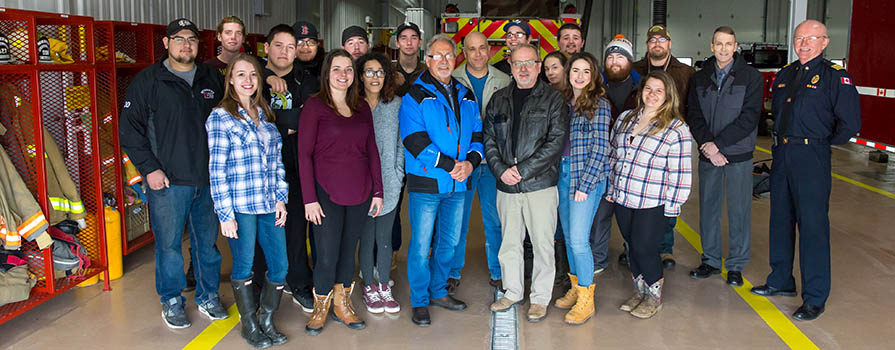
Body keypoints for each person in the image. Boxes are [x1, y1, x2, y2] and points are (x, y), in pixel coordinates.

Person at [119, 18, 227, 329]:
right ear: (166, 43)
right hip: (167, 182)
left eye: (191, 39)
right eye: (178, 39)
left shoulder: (211, 78)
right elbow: (129, 130)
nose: (185, 44)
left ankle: (208, 296)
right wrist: (149, 169)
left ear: (198, 44)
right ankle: (172, 299)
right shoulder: (148, 81)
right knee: (168, 246)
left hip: (207, 180)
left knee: (206, 245)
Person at [750, 20, 860, 321]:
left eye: (811, 38)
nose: (804, 43)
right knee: (780, 220)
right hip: (782, 153)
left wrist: (819, 143)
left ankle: (814, 297)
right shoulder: (786, 73)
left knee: (812, 226)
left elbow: (849, 124)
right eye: (799, 38)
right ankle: (781, 280)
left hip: (812, 156)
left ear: (825, 42)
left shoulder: (835, 77)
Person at [298, 49, 384, 335]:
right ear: (327, 73)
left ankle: (342, 305)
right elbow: (304, 155)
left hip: (359, 191)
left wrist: (378, 190)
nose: (343, 74)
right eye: (337, 69)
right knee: (327, 254)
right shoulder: (315, 107)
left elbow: (372, 150)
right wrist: (309, 198)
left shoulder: (361, 108)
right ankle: (321, 306)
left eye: (348, 69)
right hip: (325, 194)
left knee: (349, 252)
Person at [206, 53, 289, 348]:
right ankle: (249, 325)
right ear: (230, 79)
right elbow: (217, 170)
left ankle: (267, 319)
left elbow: (277, 163)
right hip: (240, 207)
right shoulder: (220, 117)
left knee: (280, 266)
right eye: (240, 74)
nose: (248, 80)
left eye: (253, 74)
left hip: (268, 204)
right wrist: (224, 214)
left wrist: (281, 199)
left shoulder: (265, 117)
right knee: (244, 266)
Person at [400, 34, 483, 327]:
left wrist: (471, 164)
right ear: (428, 60)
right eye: (438, 56)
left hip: (459, 183)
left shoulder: (465, 93)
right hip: (428, 183)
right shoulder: (415, 95)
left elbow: (477, 134)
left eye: (449, 55)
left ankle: (438, 292)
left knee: (448, 242)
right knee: (421, 245)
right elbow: (414, 141)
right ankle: (420, 301)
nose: (445, 61)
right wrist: (452, 166)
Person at [484, 43, 569, 323]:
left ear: (538, 65)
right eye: (517, 63)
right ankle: (512, 291)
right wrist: (500, 170)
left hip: (540, 185)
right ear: (510, 66)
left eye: (529, 63)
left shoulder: (553, 100)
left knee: (543, 244)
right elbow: (489, 139)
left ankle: (540, 298)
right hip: (506, 185)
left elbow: (555, 143)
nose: (523, 69)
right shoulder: (499, 99)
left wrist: (522, 170)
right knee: (509, 243)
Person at [608, 70, 692, 319]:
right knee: (632, 247)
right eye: (648, 89)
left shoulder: (676, 129)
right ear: (640, 91)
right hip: (624, 196)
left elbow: (681, 173)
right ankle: (639, 291)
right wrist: (612, 188)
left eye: (659, 91)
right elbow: (614, 155)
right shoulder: (625, 118)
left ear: (668, 96)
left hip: (652, 201)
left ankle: (653, 297)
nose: (652, 95)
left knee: (645, 248)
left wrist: (673, 206)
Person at [686, 26, 763, 287]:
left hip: (738, 156)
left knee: (739, 211)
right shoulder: (699, 78)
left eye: (728, 44)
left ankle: (736, 266)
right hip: (709, 155)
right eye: (718, 43)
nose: (723, 48)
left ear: (735, 46)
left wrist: (718, 145)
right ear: (711, 46)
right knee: (709, 209)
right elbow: (693, 114)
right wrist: (708, 145)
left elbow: (750, 117)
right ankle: (709, 260)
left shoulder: (751, 77)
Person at [258, 23, 317, 312]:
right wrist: (288, 123)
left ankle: (299, 284)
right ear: (266, 48)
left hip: (294, 168)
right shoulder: (251, 76)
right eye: (278, 45)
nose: (285, 51)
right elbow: (249, 120)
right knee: (258, 230)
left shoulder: (306, 81)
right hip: (257, 171)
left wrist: (275, 122)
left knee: (296, 231)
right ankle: (259, 286)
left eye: (291, 47)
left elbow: (305, 122)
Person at [552, 52, 611, 325]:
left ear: (593, 75)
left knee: (578, 240)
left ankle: (587, 298)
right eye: (575, 70)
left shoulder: (599, 104)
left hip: (584, 178)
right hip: (563, 174)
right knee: (567, 237)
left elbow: (601, 148)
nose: (579, 76)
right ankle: (576, 288)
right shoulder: (564, 102)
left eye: (586, 71)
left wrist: (586, 185)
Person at [450, 31, 512, 293]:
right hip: (462, 162)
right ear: (464, 52)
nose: (477, 54)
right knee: (456, 220)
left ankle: (498, 271)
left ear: (490, 51)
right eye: (471, 49)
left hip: (491, 163)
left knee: (494, 220)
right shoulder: (453, 79)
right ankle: (452, 271)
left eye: (482, 48)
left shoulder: (504, 80)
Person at [632, 24, 695, 269]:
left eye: (662, 40)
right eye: (652, 40)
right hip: (642, 141)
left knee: (670, 193)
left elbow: (693, 106)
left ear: (669, 44)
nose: (657, 44)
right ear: (647, 45)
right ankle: (634, 247)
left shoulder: (686, 72)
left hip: (672, 142)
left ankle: (665, 248)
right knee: (640, 200)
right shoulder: (636, 70)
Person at [356, 52, 404, 314]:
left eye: (380, 72)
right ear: (360, 76)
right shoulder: (353, 105)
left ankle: (384, 285)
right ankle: (369, 288)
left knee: (384, 238)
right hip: (360, 184)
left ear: (386, 77)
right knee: (366, 237)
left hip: (389, 181)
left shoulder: (396, 104)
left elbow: (401, 144)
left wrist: (398, 173)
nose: (374, 77)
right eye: (369, 72)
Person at [596, 35, 641, 269]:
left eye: (620, 57)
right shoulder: (595, 88)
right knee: (601, 215)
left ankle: (635, 256)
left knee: (632, 217)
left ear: (630, 61)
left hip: (633, 165)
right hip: (602, 162)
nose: (614, 61)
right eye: (610, 56)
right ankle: (599, 260)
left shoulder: (643, 88)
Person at [394, 22, 427, 96]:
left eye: (414, 38)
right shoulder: (389, 71)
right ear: (397, 43)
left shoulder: (428, 73)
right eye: (403, 38)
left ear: (420, 42)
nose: (409, 43)